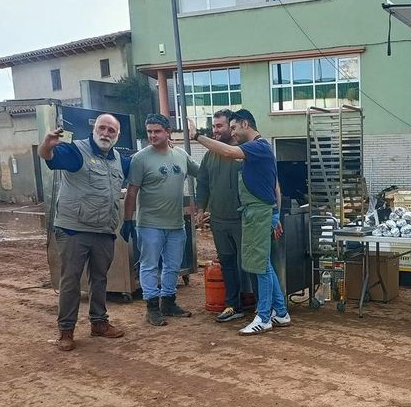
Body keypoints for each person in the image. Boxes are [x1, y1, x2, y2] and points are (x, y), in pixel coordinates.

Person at [190, 109, 290, 335]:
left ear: (245, 124)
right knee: (263, 264)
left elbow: (227, 151)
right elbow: (273, 184)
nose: (233, 133)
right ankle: (281, 313)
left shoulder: (257, 147)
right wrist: (276, 214)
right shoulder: (260, 148)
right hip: (257, 212)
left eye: (233, 127)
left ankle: (263, 316)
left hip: (258, 212)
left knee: (260, 266)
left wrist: (197, 136)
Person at [39, 114, 128, 351]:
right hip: (74, 229)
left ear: (117, 135)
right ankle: (66, 331)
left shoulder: (119, 159)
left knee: (100, 279)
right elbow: (48, 156)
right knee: (71, 280)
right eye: (102, 128)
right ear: (94, 129)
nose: (106, 133)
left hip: (104, 229)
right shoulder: (76, 151)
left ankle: (99, 323)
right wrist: (47, 144)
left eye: (111, 130)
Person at [121, 114, 200, 326]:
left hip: (176, 224)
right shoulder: (140, 159)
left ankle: (168, 302)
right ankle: (152, 307)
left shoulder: (181, 155)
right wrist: (127, 221)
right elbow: (131, 192)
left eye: (157, 131)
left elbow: (203, 173)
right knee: (149, 266)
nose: (153, 135)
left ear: (167, 132)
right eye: (149, 132)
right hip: (150, 225)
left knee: (172, 265)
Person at [195, 109, 257, 323]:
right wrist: (201, 210)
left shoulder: (244, 151)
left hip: (243, 219)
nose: (216, 130)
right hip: (219, 221)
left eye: (220, 126)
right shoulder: (210, 155)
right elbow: (202, 183)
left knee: (250, 263)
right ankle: (233, 305)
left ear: (232, 127)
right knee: (228, 263)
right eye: (214, 126)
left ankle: (261, 305)